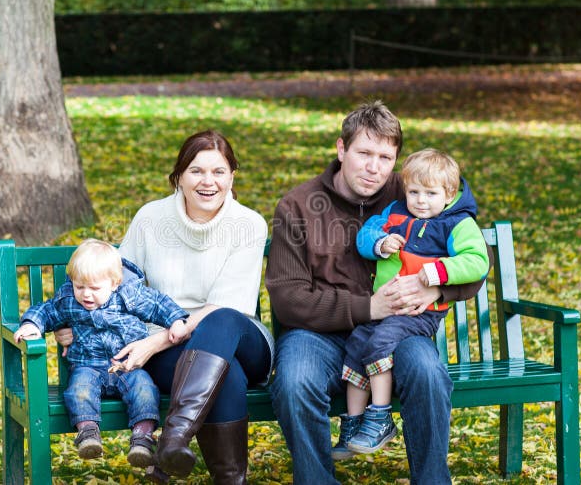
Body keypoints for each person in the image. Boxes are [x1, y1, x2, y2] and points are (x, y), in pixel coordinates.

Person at [265, 100, 491, 485]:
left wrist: (436, 288)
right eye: (364, 153)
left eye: (385, 157)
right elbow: (288, 299)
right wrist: (366, 306)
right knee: (294, 379)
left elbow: (471, 262)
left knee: (426, 370)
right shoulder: (298, 206)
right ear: (341, 150)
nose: (374, 168)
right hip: (318, 334)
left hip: (397, 328)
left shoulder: (413, 196)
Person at [56, 130, 272, 484]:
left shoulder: (248, 225)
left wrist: (154, 343)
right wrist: (71, 319)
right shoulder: (151, 219)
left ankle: (174, 438)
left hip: (241, 339)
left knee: (222, 319)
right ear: (179, 177)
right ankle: (226, 478)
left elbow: (227, 306)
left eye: (219, 172)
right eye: (196, 171)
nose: (208, 182)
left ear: (232, 176)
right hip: (187, 356)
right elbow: (109, 278)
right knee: (225, 374)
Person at [337, 148, 490, 455]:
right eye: (414, 192)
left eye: (430, 193)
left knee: (378, 343)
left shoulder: (456, 223)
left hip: (418, 313)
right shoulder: (395, 213)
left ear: (448, 194)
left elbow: (477, 261)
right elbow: (365, 235)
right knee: (356, 346)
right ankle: (352, 423)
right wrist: (381, 243)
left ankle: (379, 417)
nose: (421, 201)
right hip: (384, 308)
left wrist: (437, 272)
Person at [13, 238, 189, 467]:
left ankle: (142, 437)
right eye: (80, 286)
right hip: (88, 367)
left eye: (94, 288)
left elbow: (157, 304)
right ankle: (88, 433)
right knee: (79, 391)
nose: (86, 294)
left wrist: (176, 320)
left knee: (144, 390)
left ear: (114, 283)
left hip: (128, 365)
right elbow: (47, 311)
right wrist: (32, 325)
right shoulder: (69, 301)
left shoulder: (129, 296)